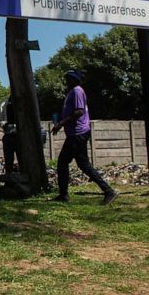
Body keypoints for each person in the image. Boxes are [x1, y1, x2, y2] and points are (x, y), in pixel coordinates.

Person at [51, 69, 118, 204]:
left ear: (75, 80)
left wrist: (61, 123)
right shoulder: (72, 92)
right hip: (75, 133)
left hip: (78, 133)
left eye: (69, 78)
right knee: (69, 163)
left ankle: (108, 191)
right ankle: (63, 194)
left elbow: (79, 111)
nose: (66, 80)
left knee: (79, 164)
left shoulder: (77, 91)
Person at [0, 98, 19, 173]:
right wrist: (5, 126)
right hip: (8, 135)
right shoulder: (4, 103)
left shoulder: (22, 101)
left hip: (20, 136)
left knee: (23, 160)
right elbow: (0, 120)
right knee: (8, 161)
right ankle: (9, 180)